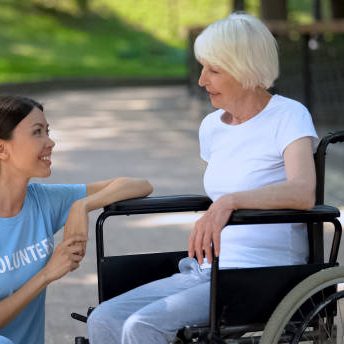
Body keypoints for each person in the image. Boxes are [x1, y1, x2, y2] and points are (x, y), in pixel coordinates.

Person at [87, 12, 318, 344]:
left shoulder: (288, 115)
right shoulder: (212, 127)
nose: (201, 80)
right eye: (202, 67)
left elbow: (302, 192)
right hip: (207, 270)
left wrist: (230, 201)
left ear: (245, 70)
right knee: (105, 319)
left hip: (262, 274)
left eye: (214, 70)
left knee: (142, 326)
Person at [0, 95, 153, 344]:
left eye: (47, 131)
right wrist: (47, 274)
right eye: (37, 132)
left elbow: (139, 185)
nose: (50, 142)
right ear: (1, 148)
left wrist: (83, 205)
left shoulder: (43, 201)